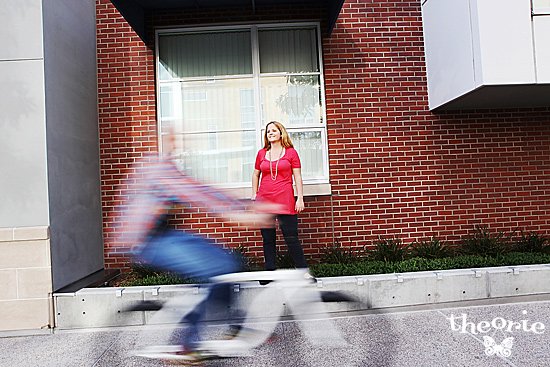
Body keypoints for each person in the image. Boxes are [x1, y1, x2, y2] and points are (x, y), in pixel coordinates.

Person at [114, 130, 277, 362]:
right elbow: (196, 193)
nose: (176, 144)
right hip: (146, 243)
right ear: (156, 142)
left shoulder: (167, 169)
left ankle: (235, 329)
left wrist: (242, 205)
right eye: (169, 139)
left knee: (228, 261)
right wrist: (237, 214)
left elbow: (202, 189)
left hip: (165, 236)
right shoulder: (155, 168)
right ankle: (188, 345)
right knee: (215, 269)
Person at [251, 121, 308, 272]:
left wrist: (300, 198)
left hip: (285, 201)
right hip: (265, 201)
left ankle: (303, 272)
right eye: (268, 131)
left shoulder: (291, 153)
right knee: (268, 239)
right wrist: (254, 193)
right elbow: (256, 174)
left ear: (281, 133)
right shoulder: (262, 153)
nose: (270, 133)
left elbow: (298, 177)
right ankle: (270, 272)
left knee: (292, 239)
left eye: (274, 130)